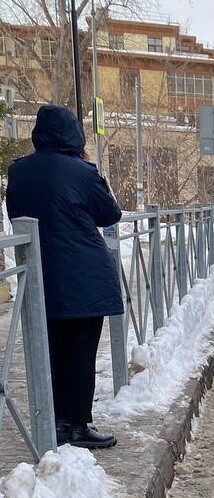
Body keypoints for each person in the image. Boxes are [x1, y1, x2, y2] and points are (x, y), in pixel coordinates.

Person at [7, 104, 122, 449]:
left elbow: (16, 212)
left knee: (53, 348)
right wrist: (94, 172)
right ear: (74, 134)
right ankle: (79, 426)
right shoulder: (81, 171)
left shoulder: (19, 171)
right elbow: (110, 214)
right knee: (81, 352)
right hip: (84, 276)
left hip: (40, 274)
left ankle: (56, 422)